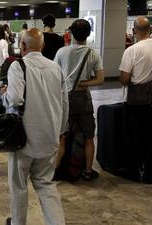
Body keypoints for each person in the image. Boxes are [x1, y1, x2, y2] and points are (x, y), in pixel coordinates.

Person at [1, 28, 67, 225]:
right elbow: (64, 103)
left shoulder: (18, 66)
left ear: (22, 46)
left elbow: (14, 98)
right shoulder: (56, 67)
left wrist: (3, 94)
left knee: (19, 186)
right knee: (46, 184)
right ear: (43, 46)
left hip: (23, 138)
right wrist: (61, 131)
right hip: (49, 137)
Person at [119, 16, 152, 184]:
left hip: (137, 102)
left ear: (134, 30)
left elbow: (124, 79)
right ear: (150, 29)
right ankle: (151, 174)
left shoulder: (131, 50)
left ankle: (133, 171)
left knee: (134, 137)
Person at [54, 19, 104, 181]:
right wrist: (85, 83)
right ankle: (88, 171)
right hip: (83, 99)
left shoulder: (62, 52)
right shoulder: (93, 53)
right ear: (88, 34)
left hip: (65, 98)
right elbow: (100, 79)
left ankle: (55, 171)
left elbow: (54, 76)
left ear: (71, 34)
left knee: (62, 136)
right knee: (89, 136)